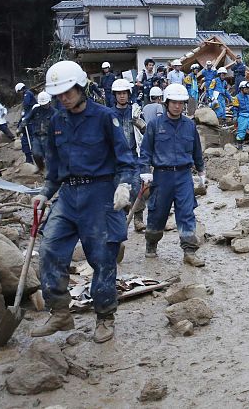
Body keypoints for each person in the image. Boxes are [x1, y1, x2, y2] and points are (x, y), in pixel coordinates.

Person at [31, 60, 136, 343]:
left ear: (81, 88)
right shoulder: (56, 121)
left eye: (68, 92)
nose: (63, 98)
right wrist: (45, 192)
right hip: (67, 195)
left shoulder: (104, 117)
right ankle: (60, 313)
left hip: (99, 194)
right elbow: (53, 167)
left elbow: (126, 159)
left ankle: (104, 316)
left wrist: (124, 184)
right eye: (59, 94)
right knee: (50, 249)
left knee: (102, 258)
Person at [138, 83, 207, 266]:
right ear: (166, 102)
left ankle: (189, 251)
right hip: (162, 177)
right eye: (174, 102)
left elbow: (196, 151)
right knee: (157, 213)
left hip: (184, 176)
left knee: (186, 214)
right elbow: (145, 152)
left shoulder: (189, 125)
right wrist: (145, 172)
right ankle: (151, 243)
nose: (177, 106)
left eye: (181, 103)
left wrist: (201, 171)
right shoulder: (154, 125)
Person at [111, 78, 145, 231]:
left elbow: (147, 131)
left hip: (134, 154)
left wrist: (140, 123)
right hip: (116, 158)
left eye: (124, 93)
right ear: (115, 95)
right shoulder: (109, 114)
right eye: (119, 93)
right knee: (119, 187)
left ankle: (138, 219)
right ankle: (120, 220)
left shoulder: (135, 111)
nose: (122, 96)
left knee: (138, 185)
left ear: (128, 94)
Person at [19, 92, 54, 171]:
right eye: (42, 104)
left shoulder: (54, 112)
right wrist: (21, 126)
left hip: (48, 137)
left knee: (48, 156)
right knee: (36, 154)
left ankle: (50, 173)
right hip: (37, 136)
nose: (44, 105)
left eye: (45, 104)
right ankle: (40, 168)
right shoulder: (36, 110)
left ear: (49, 101)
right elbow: (27, 118)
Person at [231, 81, 249, 149]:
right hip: (241, 116)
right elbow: (235, 108)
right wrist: (235, 116)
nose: (247, 90)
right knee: (241, 133)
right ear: (241, 89)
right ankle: (240, 148)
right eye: (246, 89)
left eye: (248, 89)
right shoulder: (236, 97)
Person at [16, 82, 36, 164]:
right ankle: (29, 159)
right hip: (28, 117)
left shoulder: (27, 94)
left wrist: (25, 116)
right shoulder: (28, 94)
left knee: (31, 138)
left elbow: (27, 105)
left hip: (31, 119)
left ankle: (33, 159)